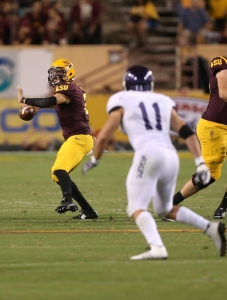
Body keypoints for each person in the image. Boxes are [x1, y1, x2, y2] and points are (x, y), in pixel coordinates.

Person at [82, 65, 226, 260]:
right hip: (170, 157)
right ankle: (210, 228)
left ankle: (157, 247)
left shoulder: (121, 99)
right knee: (164, 209)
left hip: (148, 154)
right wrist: (199, 162)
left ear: (126, 84)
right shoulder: (162, 100)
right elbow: (186, 131)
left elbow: (105, 134)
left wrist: (95, 159)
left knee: (135, 207)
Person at [17, 58, 98, 220]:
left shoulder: (68, 88)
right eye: (53, 73)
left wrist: (24, 100)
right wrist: (34, 108)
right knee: (58, 174)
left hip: (79, 137)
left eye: (58, 73)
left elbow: (51, 100)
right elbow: (51, 103)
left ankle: (67, 200)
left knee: (59, 170)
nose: (54, 77)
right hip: (76, 138)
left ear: (68, 74)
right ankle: (88, 211)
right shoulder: (71, 90)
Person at [173, 56, 227, 220]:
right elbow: (224, 93)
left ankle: (223, 208)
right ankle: (171, 204)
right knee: (210, 175)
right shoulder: (221, 61)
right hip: (214, 126)